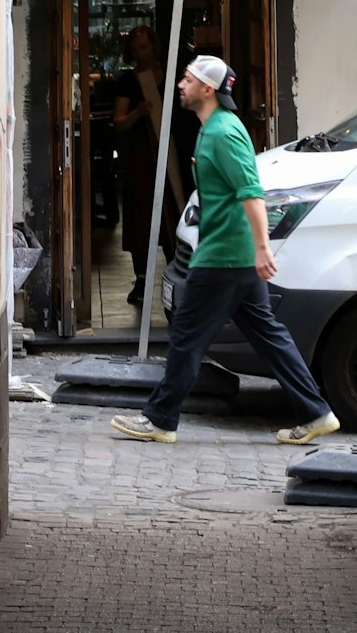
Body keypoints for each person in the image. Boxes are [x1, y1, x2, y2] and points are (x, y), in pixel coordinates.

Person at [110, 56, 340, 446]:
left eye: (188, 79)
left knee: (186, 336)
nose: (181, 84)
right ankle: (317, 413)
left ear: (208, 89)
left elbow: (251, 192)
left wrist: (262, 248)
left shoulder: (222, 133)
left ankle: (161, 419)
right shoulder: (213, 128)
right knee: (268, 334)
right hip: (230, 254)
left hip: (223, 256)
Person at [111, 27, 183, 307]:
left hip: (172, 152)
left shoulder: (174, 75)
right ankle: (141, 280)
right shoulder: (129, 81)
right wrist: (138, 113)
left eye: (145, 47)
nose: (141, 53)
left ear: (155, 47)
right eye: (136, 48)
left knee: (172, 210)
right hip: (141, 157)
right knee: (141, 215)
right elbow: (119, 122)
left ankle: (176, 275)